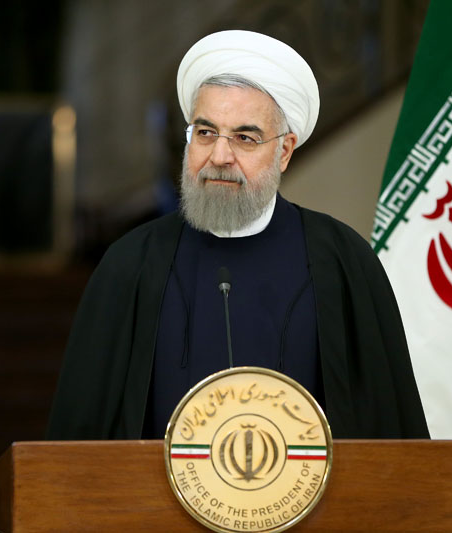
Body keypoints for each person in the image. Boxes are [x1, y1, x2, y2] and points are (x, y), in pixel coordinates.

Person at [47, 30, 429, 440]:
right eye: (205, 133)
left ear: (284, 151)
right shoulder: (130, 265)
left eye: (245, 138)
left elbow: (393, 444)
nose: (219, 156)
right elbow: (75, 448)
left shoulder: (343, 262)